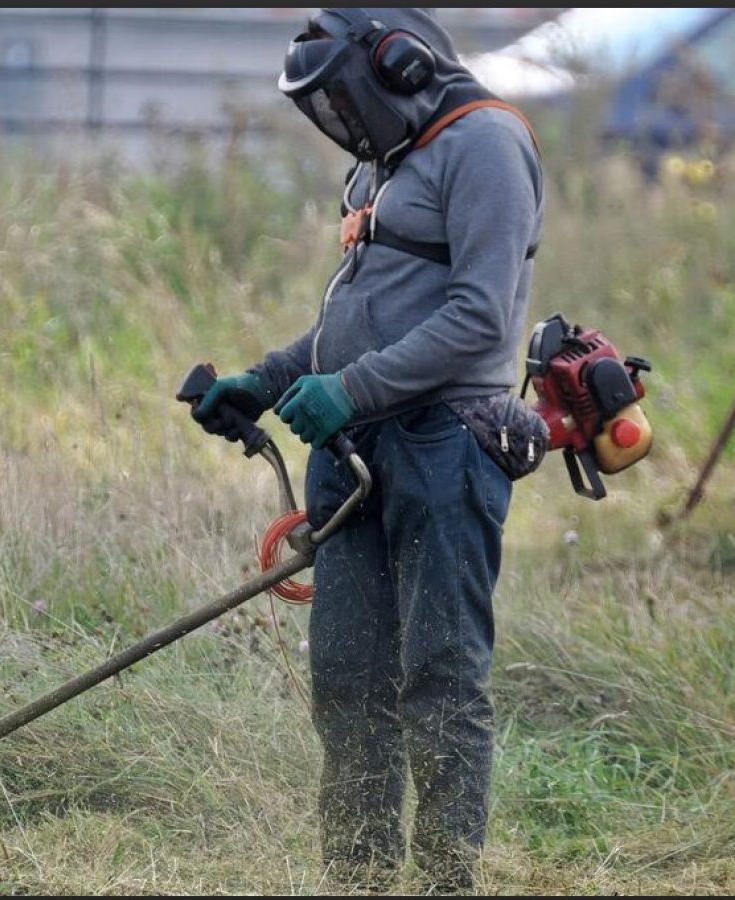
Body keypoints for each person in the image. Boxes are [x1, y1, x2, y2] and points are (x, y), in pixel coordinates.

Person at [190, 8, 544, 893]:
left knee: (440, 678)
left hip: (447, 444)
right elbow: (350, 322)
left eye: (346, 98)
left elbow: (480, 320)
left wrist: (350, 390)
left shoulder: (488, 146)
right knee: (347, 681)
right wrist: (265, 381)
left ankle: (445, 881)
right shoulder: (381, 167)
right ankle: (359, 879)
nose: (342, 122)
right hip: (355, 454)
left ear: (401, 64)